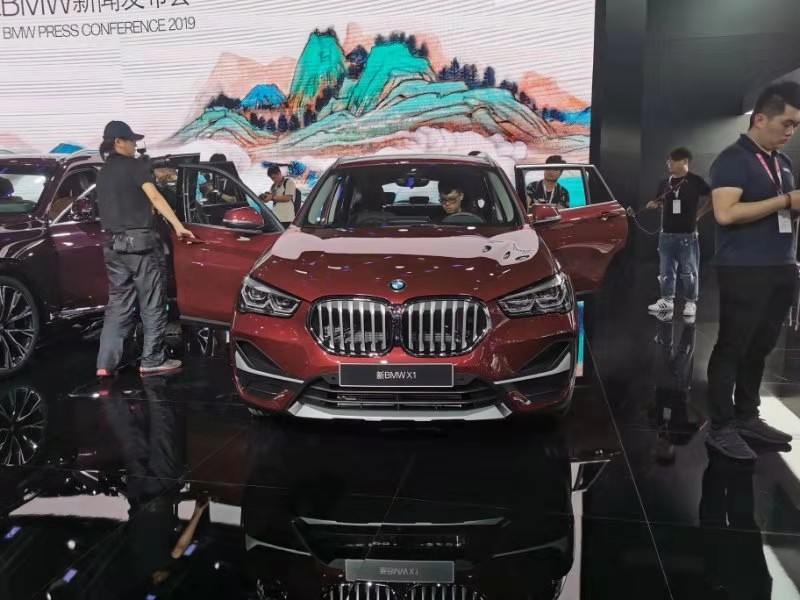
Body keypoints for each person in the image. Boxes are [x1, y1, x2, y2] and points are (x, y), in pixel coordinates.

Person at [706, 81, 800, 459]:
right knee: (732, 345)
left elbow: (783, 211)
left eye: (796, 126)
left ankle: (747, 415)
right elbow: (725, 213)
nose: (791, 132)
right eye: (786, 123)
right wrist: (786, 200)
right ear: (760, 119)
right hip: (744, 269)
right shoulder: (732, 159)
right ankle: (720, 426)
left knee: (761, 346)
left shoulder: (783, 162)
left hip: (781, 265)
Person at [95, 120, 194, 378]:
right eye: (131, 140)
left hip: (112, 246)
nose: (135, 145)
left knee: (118, 304)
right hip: (139, 245)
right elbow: (155, 196)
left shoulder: (102, 172)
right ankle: (152, 359)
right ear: (118, 142)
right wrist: (178, 226)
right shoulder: (135, 166)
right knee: (152, 302)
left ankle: (105, 363)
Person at [646, 147, 713, 317]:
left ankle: (690, 302)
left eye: (673, 160)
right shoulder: (664, 183)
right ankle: (667, 300)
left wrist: (700, 214)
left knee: (689, 270)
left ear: (685, 161)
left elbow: (713, 196)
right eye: (668, 160)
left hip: (687, 234)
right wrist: (655, 205)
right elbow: (660, 203)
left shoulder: (695, 181)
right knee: (666, 270)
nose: (669, 163)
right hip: (666, 233)